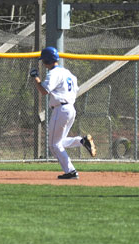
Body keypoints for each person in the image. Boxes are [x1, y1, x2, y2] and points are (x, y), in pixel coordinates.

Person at [30, 47, 96, 180]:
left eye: (43, 60)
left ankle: (71, 172)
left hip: (60, 109)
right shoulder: (68, 73)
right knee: (59, 142)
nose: (43, 63)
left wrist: (36, 78)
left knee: (54, 145)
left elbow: (44, 91)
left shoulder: (53, 73)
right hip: (70, 108)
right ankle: (82, 141)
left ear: (47, 60)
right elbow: (75, 90)